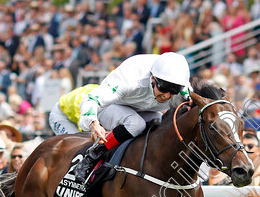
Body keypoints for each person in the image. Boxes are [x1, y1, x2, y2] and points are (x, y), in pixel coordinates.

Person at [72, 52, 192, 183]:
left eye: (174, 90)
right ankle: (92, 156)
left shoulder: (182, 87)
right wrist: (93, 123)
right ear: (153, 78)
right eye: (164, 88)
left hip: (142, 109)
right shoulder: (131, 79)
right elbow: (90, 99)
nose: (167, 96)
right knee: (136, 124)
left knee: (161, 124)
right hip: (111, 106)